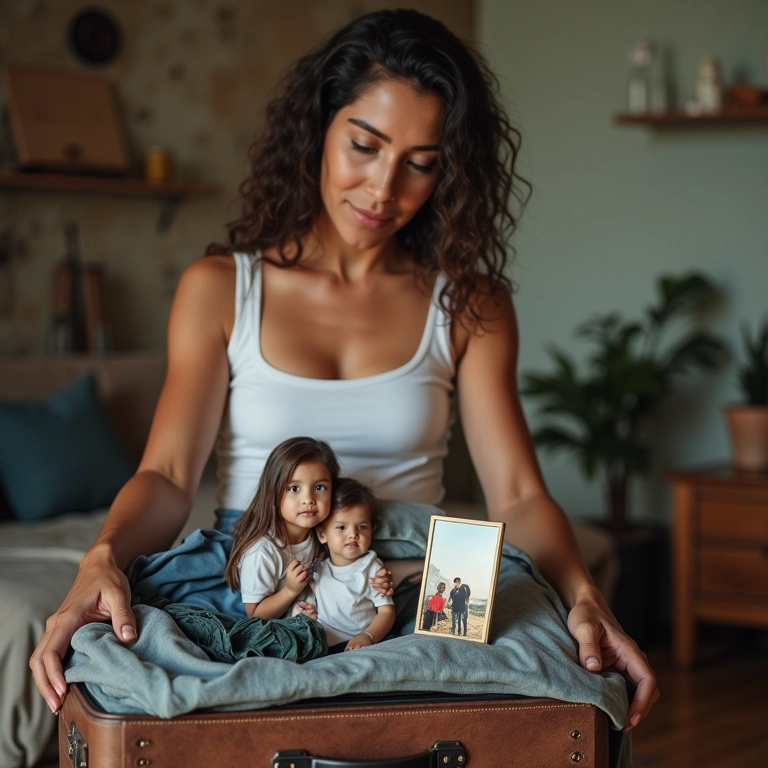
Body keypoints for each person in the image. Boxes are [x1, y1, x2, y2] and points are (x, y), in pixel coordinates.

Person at [30, 8, 658, 730]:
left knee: (563, 684)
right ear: (319, 129)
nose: (384, 189)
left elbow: (516, 493)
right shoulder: (219, 289)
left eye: (421, 162)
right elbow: (169, 477)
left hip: (419, 565)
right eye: (365, 145)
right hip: (265, 557)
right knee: (133, 667)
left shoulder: (470, 303)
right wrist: (100, 557)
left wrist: (583, 592)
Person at [224, 436, 336, 619]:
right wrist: (291, 591)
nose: (308, 499)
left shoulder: (324, 534)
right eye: (294, 489)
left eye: (319, 487)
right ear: (274, 494)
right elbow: (255, 614)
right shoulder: (261, 552)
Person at [302, 477, 395, 652]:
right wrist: (306, 610)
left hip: (362, 642)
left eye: (361, 527)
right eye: (341, 527)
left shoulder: (371, 567)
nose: (353, 534)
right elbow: (309, 603)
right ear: (322, 535)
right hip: (323, 645)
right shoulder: (318, 569)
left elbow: (386, 612)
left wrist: (367, 636)